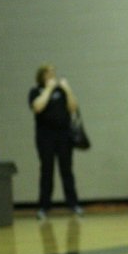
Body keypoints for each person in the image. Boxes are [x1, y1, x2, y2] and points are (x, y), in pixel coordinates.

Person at [29, 64, 82, 220]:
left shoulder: (62, 91)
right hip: (45, 137)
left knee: (67, 170)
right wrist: (48, 89)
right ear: (42, 76)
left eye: (53, 73)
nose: (52, 76)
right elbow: (37, 107)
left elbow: (73, 108)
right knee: (46, 171)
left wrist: (68, 89)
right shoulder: (35, 91)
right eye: (49, 73)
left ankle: (73, 204)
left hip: (64, 136)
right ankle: (44, 207)